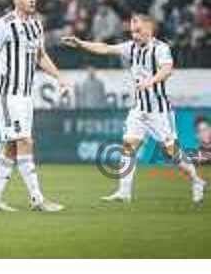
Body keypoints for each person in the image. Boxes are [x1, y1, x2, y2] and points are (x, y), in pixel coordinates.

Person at [62, 14, 206, 203]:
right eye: (132, 31)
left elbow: (167, 70)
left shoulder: (160, 49)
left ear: (149, 29)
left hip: (159, 111)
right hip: (139, 109)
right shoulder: (131, 47)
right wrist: (81, 43)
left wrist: (150, 81)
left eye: (138, 31)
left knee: (171, 153)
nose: (134, 35)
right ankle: (124, 192)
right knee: (128, 147)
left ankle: (197, 181)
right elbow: (105, 48)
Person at [0, 0, 67, 212]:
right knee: (25, 142)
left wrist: (60, 77)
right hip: (8, 95)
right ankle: (37, 199)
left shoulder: (36, 25)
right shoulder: (3, 25)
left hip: (26, 96)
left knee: (12, 148)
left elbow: (41, 56)